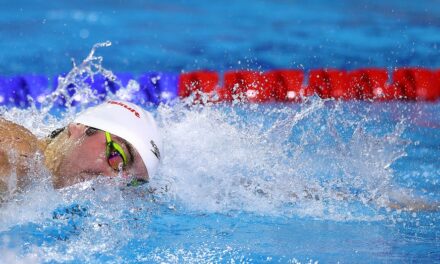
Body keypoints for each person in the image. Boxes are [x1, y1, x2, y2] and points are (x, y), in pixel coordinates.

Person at [0, 100, 162, 199]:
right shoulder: (17, 156)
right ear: (79, 129)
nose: (114, 182)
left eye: (130, 182)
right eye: (116, 156)